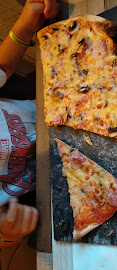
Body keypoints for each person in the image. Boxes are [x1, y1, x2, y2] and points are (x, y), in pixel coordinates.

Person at [0, 0, 59, 247]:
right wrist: (6, 235)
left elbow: (3, 66)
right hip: (46, 190)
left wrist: (25, 25)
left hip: (56, 105)